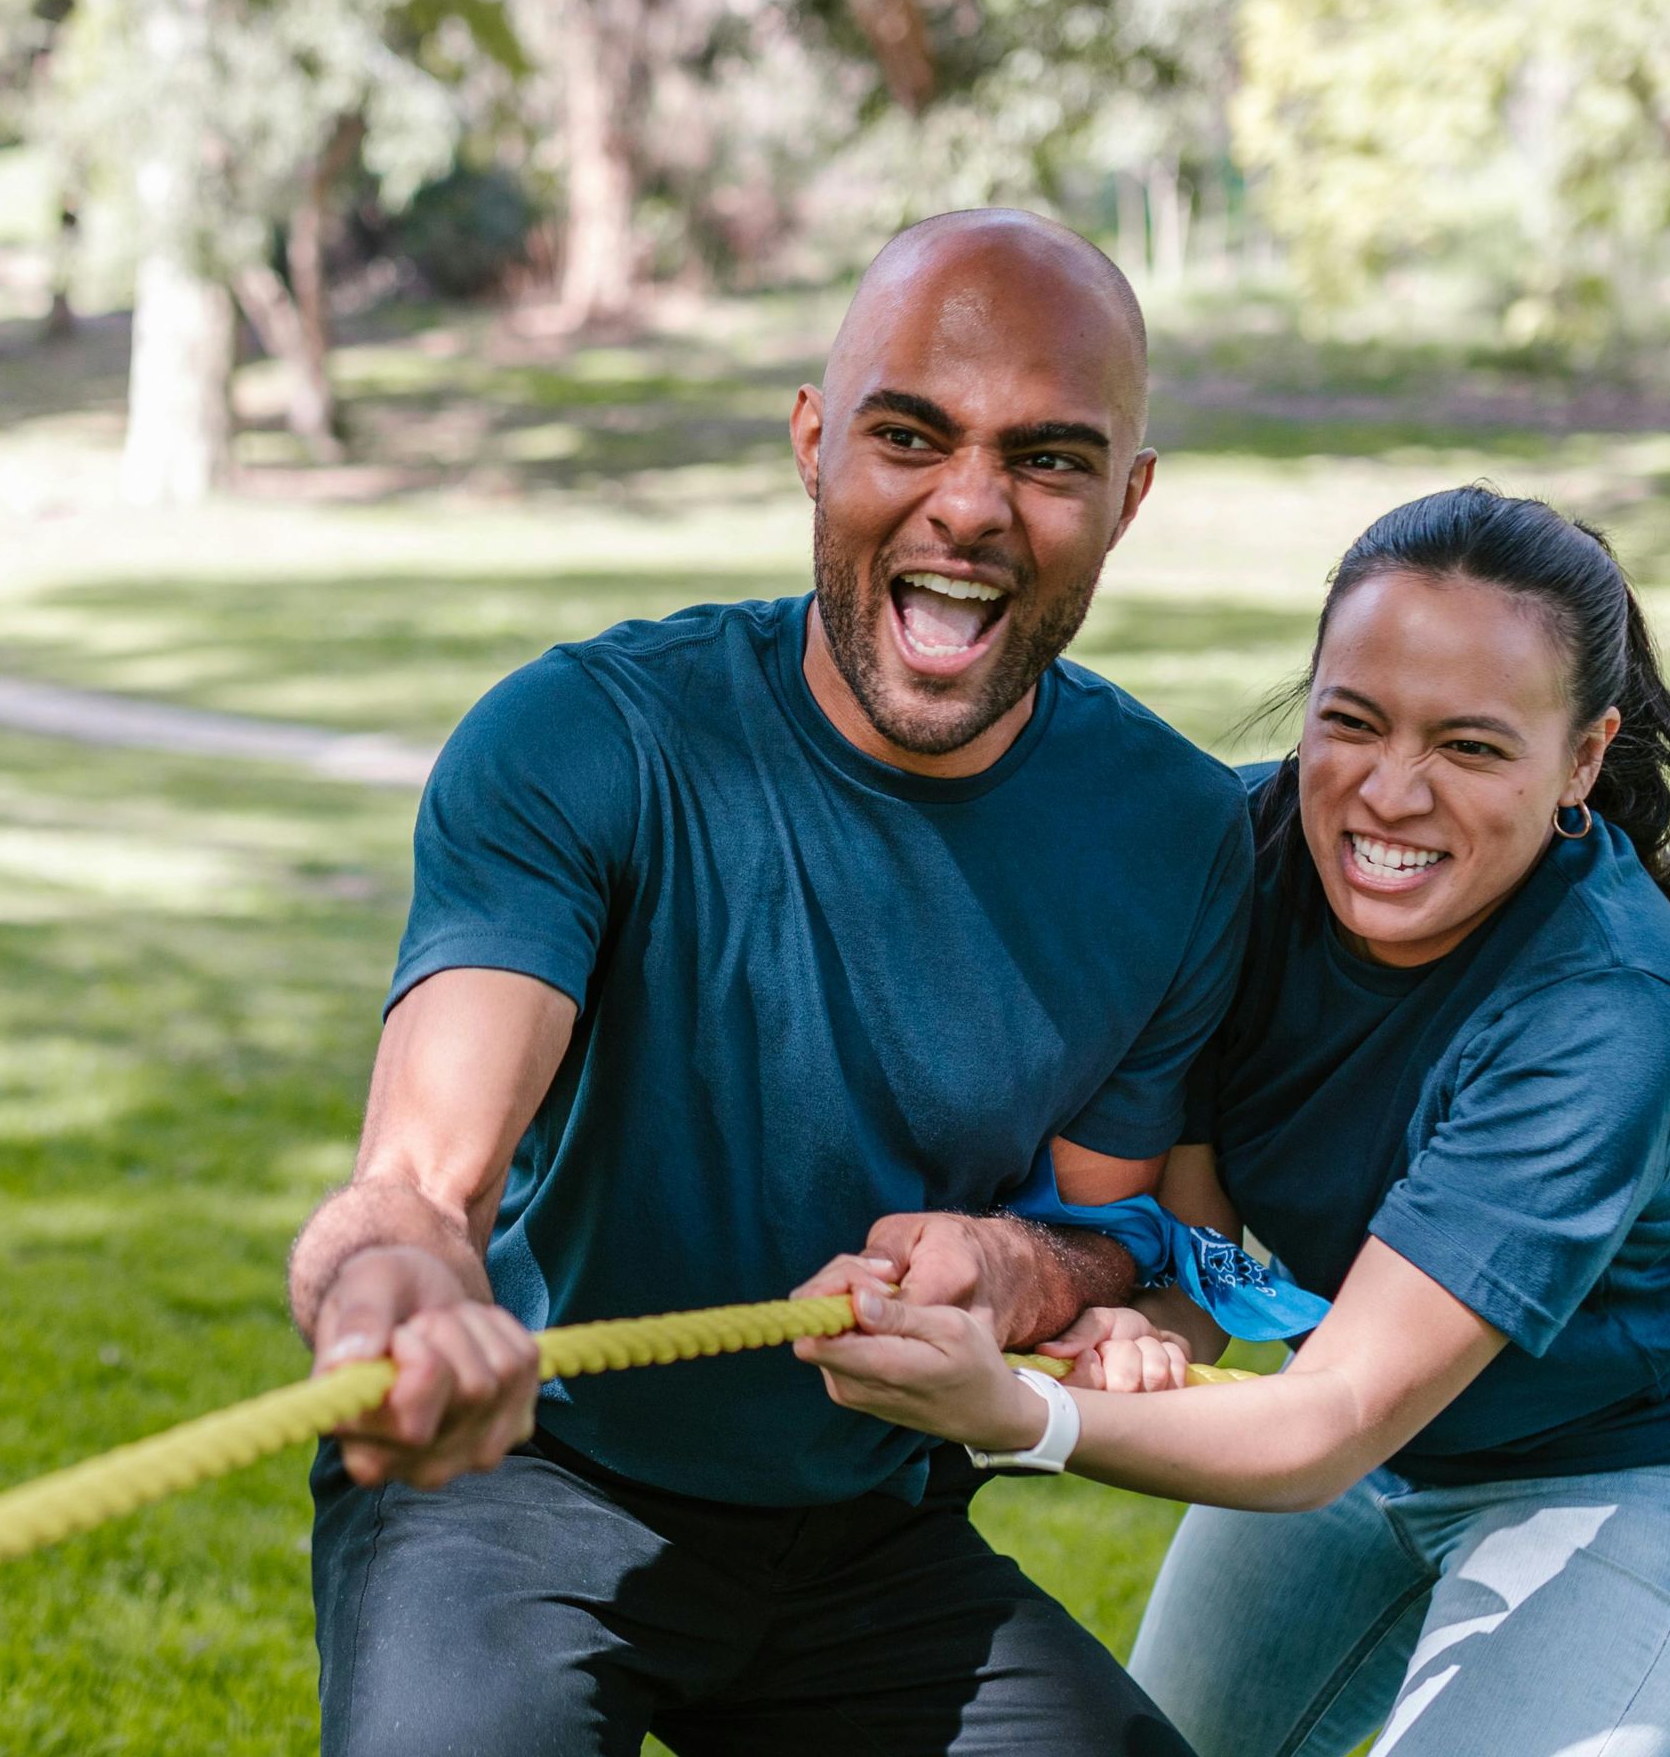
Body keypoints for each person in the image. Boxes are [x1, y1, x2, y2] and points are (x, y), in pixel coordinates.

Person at [282, 209, 1248, 1757]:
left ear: (1128, 502)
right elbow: (418, 1178)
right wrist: (395, 1289)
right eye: (910, 435)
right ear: (814, 443)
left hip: (864, 1531)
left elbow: (1120, 1237)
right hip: (522, 1481)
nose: (970, 507)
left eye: (1049, 461)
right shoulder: (584, 739)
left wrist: (1015, 1275)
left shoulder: (1185, 838)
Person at [795, 487, 1670, 1757]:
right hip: (1365, 1431)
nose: (1390, 794)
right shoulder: (1234, 864)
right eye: (1352, 722)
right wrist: (1126, 1318)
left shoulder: (1606, 1007)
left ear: (1582, 757)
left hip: (1643, 1462)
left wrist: (1020, 1413)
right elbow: (1201, 1251)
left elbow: (1327, 1423)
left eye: (1472, 746)